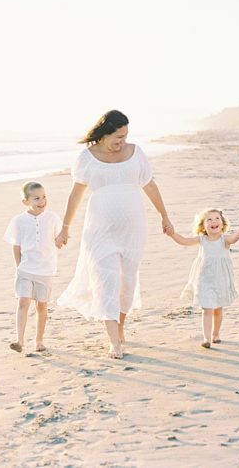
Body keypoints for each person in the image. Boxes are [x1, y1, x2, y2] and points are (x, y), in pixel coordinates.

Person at [55, 110, 174, 359]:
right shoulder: (86, 158)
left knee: (126, 284)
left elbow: (149, 185)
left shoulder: (136, 153)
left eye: (126, 136)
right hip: (99, 232)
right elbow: (76, 194)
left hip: (133, 232)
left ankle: (120, 327)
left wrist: (164, 216)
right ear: (104, 133)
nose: (122, 141)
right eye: (118, 136)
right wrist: (65, 227)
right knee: (105, 283)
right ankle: (114, 342)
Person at [170, 208, 239, 349]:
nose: (214, 222)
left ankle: (215, 334)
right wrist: (172, 234)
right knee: (207, 308)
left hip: (221, 279)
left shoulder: (225, 240)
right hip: (204, 279)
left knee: (218, 308)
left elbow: (235, 238)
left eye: (217, 219)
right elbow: (184, 241)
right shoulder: (202, 240)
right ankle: (206, 338)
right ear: (203, 226)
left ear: (222, 224)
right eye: (209, 220)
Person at [3, 181, 62, 353]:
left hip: (46, 270)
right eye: (36, 198)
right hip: (26, 270)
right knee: (23, 302)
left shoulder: (52, 218)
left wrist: (62, 238)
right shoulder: (19, 221)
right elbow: (16, 245)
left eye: (44, 197)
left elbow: (60, 238)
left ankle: (39, 341)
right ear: (26, 201)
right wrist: (19, 266)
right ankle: (19, 341)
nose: (42, 201)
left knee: (42, 306)